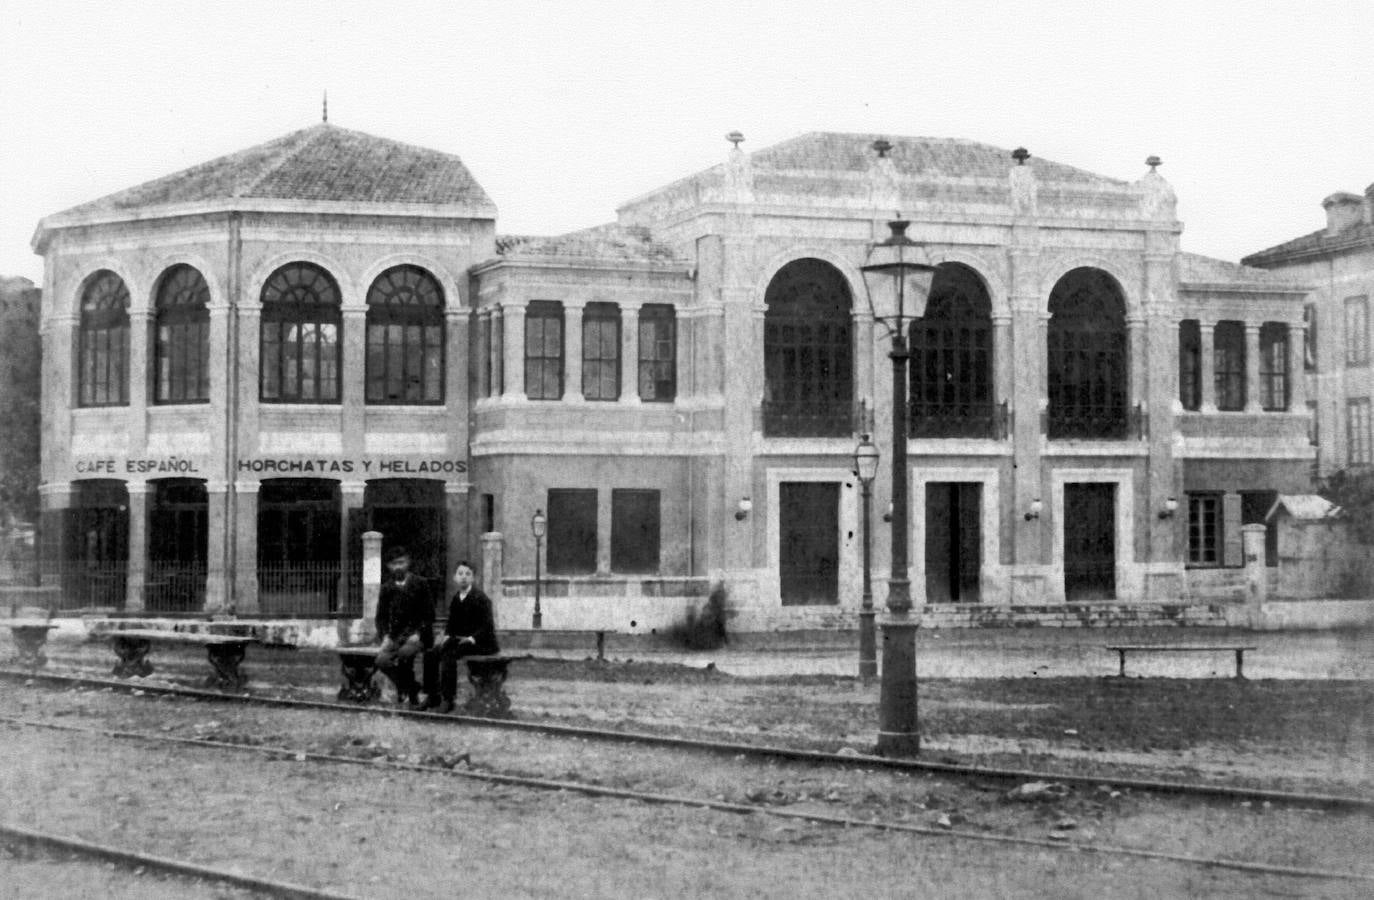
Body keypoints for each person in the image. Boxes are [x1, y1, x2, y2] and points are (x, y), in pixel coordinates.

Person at [373, 546, 435, 708]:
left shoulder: (421, 584)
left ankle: (410, 695)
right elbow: (381, 617)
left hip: (418, 635)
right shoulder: (386, 588)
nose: (398, 567)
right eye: (394, 564)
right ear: (389, 566)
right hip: (395, 636)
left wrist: (419, 633)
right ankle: (410, 687)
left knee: (404, 654)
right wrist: (385, 636)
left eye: (401, 562)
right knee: (381, 661)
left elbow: (429, 615)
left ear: (408, 563)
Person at [435, 560, 498, 713]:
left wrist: (471, 638)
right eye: (460, 574)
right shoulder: (456, 598)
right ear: (454, 578)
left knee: (449, 655)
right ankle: (432, 695)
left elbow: (487, 626)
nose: (463, 577)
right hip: (462, 640)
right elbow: (451, 624)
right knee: (433, 652)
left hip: (481, 643)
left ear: (473, 578)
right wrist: (446, 636)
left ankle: (448, 699)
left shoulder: (480, 598)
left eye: (468, 574)